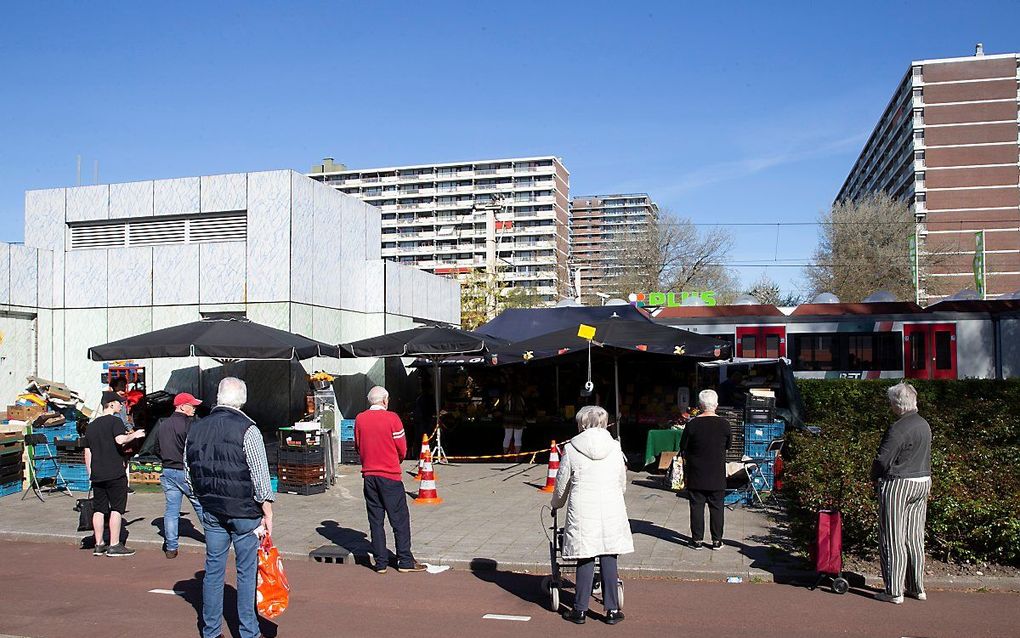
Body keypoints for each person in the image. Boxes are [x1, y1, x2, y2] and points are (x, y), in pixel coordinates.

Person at [185, 378, 274, 638]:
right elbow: (260, 476)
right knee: (247, 572)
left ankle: (211, 631)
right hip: (245, 511)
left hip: (212, 509)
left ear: (218, 397)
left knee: (214, 569)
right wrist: (267, 511)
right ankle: (249, 631)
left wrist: (202, 499)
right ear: (242, 400)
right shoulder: (248, 428)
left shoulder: (196, 428)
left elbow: (189, 473)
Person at [550, 405, 633, 625]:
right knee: (609, 554)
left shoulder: (572, 448)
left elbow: (562, 484)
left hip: (582, 507)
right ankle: (612, 610)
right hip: (610, 505)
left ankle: (579, 610)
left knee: (585, 555)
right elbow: (621, 482)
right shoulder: (615, 448)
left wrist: (556, 504)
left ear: (581, 423)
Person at [870, 381, 932, 604]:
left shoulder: (898, 428)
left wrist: (873, 476)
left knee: (892, 537)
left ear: (896, 405)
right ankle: (917, 587)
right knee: (915, 537)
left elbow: (882, 460)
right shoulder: (924, 424)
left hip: (899, 484)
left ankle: (894, 590)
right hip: (923, 480)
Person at [355, 385, 425, 574]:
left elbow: (358, 445)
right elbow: (401, 447)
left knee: (375, 519)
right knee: (399, 519)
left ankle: (380, 563)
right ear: (385, 400)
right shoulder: (392, 418)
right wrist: (397, 459)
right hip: (390, 475)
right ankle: (404, 560)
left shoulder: (360, 419)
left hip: (369, 475)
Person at [83, 391, 146, 557]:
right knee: (117, 509)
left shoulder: (92, 425)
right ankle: (114, 544)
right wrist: (134, 435)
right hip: (114, 472)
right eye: (119, 403)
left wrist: (91, 471)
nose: (122, 405)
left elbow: (87, 452)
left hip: (97, 473)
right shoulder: (115, 421)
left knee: (99, 509)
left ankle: (99, 544)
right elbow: (120, 440)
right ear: (111, 404)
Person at [680, 389, 731, 550]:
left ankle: (697, 540)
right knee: (717, 508)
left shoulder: (692, 424)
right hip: (716, 473)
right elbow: (728, 445)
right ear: (716, 405)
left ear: (700, 406)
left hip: (696, 473)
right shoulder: (724, 424)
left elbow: (683, 446)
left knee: (696, 506)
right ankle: (717, 540)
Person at [155, 392, 205, 559]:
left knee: (171, 511)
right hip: (185, 471)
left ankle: (171, 547)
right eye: (192, 405)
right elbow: (196, 449)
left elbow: (156, 448)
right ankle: (214, 539)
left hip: (168, 470)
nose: (194, 408)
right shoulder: (190, 425)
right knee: (200, 504)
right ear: (182, 406)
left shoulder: (163, 425)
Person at [500, 381, 526, 455]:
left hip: (508, 417)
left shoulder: (506, 395)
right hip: (518, 417)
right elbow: (524, 405)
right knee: (518, 438)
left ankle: (505, 455)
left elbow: (502, 405)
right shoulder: (520, 395)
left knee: (507, 436)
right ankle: (517, 455)